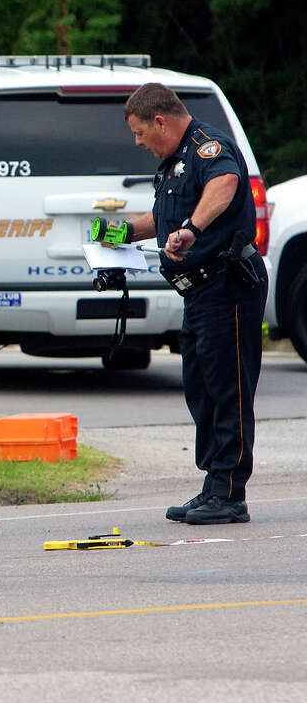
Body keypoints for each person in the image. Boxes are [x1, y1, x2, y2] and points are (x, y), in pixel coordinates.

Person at [120, 83, 267, 525]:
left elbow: (225, 183)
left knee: (229, 389)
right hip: (199, 294)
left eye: (141, 132)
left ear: (160, 121)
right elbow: (162, 221)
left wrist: (194, 229)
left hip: (228, 287)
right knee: (200, 388)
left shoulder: (208, 149)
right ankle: (211, 486)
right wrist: (112, 234)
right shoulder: (174, 163)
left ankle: (230, 494)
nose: (139, 142)